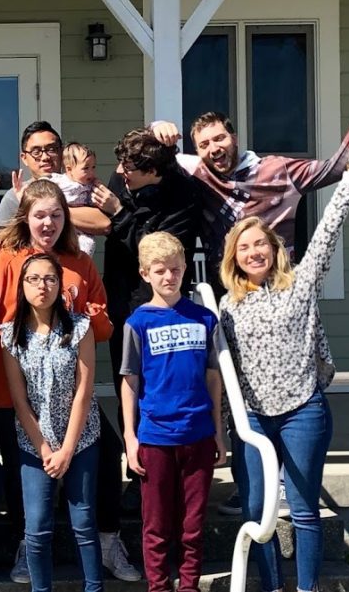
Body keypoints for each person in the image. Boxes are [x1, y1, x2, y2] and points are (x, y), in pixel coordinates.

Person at [218, 135, 349, 592]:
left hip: (302, 412)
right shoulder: (227, 307)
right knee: (258, 512)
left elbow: (329, 229)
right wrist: (222, 426)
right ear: (235, 258)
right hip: (253, 420)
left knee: (304, 511)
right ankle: (272, 586)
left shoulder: (300, 284)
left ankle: (307, 588)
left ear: (274, 249)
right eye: (245, 247)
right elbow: (225, 374)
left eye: (261, 244)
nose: (254, 252)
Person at [0, 179, 125, 583]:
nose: (48, 223)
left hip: (70, 394)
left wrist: (90, 316)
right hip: (14, 392)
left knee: (108, 453)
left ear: (66, 218)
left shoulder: (79, 262)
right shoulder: (5, 260)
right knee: (23, 476)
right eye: (39, 215)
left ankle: (108, 540)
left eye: (56, 215)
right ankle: (25, 545)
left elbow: (102, 325)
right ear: (25, 218)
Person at [151, 81, 349, 285]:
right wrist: (156, 129)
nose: (213, 148)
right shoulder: (197, 172)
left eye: (219, 138)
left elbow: (335, 168)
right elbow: (144, 157)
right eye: (204, 145)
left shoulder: (277, 171)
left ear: (234, 138)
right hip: (227, 290)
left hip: (279, 286)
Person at [91, 128, 200, 514]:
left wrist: (119, 214)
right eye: (120, 164)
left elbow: (157, 254)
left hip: (162, 308)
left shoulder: (183, 195)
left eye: (129, 168)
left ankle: (167, 475)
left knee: (162, 389)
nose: (120, 172)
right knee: (129, 387)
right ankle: (138, 475)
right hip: (121, 303)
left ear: (153, 171)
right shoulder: (121, 178)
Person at [120, 232, 225, 592]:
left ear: (184, 269)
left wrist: (218, 432)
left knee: (192, 524)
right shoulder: (137, 323)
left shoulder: (204, 318)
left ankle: (189, 585)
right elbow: (130, 381)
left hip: (198, 433)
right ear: (145, 273)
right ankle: (159, 586)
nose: (169, 276)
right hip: (155, 437)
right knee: (157, 525)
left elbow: (213, 377)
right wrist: (130, 437)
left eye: (176, 269)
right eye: (160, 270)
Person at [1, 253, 103, 592]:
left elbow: (83, 393)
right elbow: (19, 400)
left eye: (50, 279)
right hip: (35, 444)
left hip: (80, 439)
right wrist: (45, 449)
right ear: (22, 285)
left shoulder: (80, 327)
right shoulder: (11, 335)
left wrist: (67, 450)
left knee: (84, 522)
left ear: (60, 285)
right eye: (33, 279)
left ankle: (94, 588)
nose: (42, 286)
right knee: (37, 527)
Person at [0, 122, 110, 241]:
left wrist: (48, 209)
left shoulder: (82, 185)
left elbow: (104, 224)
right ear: (24, 158)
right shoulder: (17, 194)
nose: (45, 157)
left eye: (52, 149)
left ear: (62, 153)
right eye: (36, 152)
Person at [50, 142, 100, 255]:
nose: (91, 172)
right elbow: (44, 185)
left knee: (88, 243)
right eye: (86, 168)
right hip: (62, 223)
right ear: (69, 169)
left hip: (82, 228)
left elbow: (95, 203)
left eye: (93, 167)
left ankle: (81, 260)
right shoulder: (60, 181)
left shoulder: (90, 186)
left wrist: (98, 187)